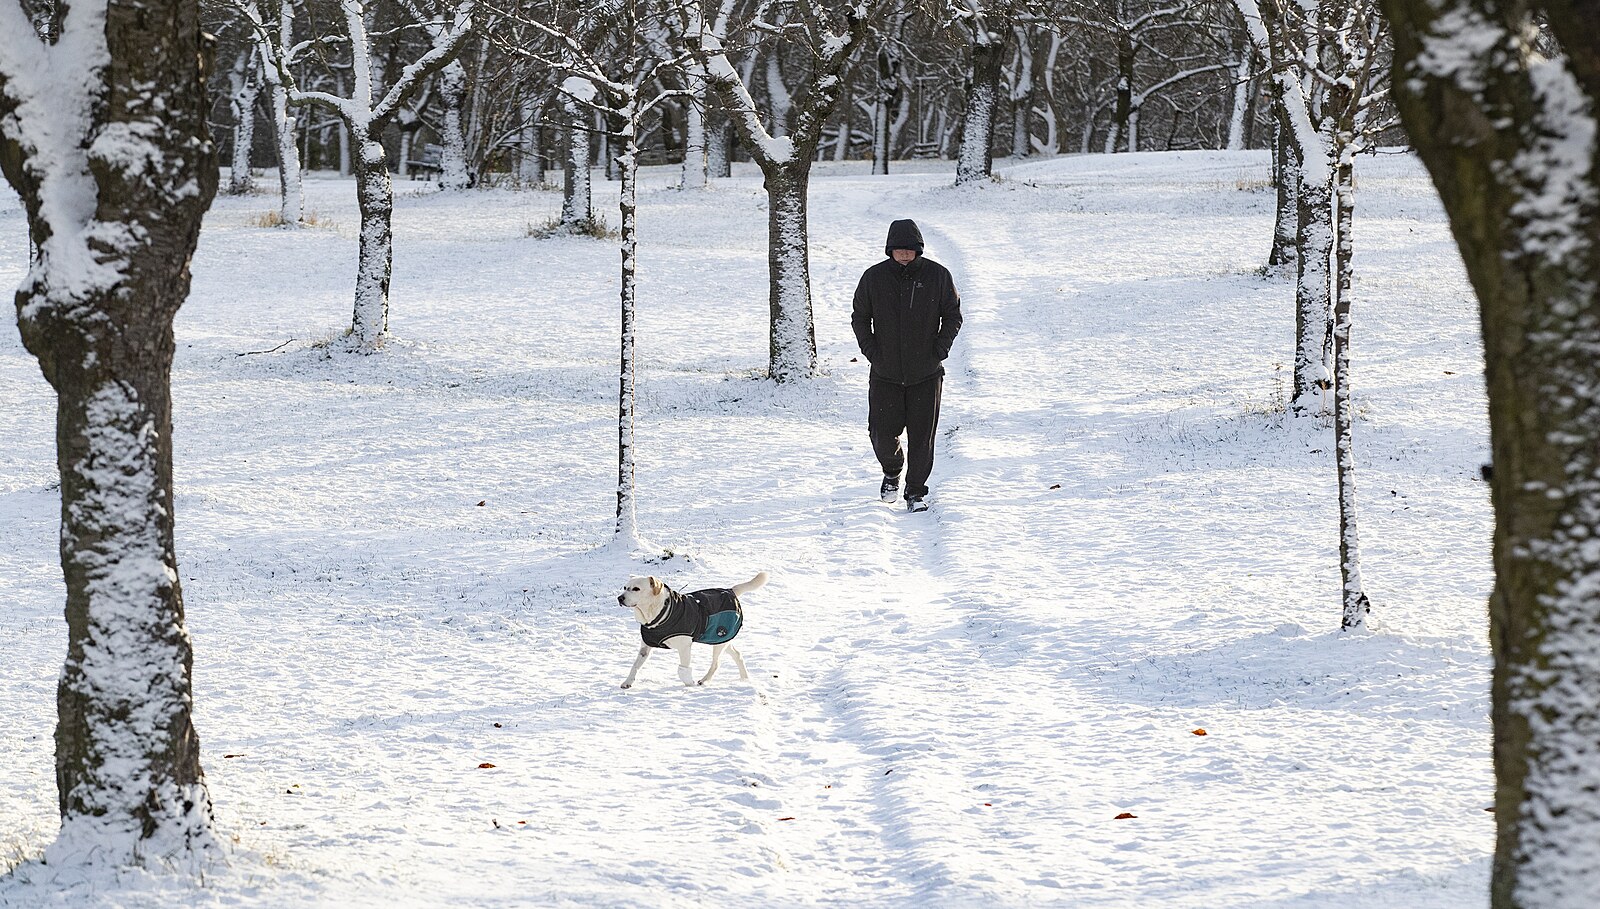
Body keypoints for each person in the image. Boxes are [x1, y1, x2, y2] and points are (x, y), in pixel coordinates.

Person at [850, 219, 962, 512]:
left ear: (918, 250)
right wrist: (871, 350)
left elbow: (953, 316)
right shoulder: (873, 278)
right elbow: (860, 317)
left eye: (909, 250)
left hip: (926, 373)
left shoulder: (938, 276)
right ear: (890, 250)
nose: (903, 254)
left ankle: (916, 492)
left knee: (922, 437)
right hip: (885, 373)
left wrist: (940, 349)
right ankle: (892, 470)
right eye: (898, 249)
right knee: (881, 434)